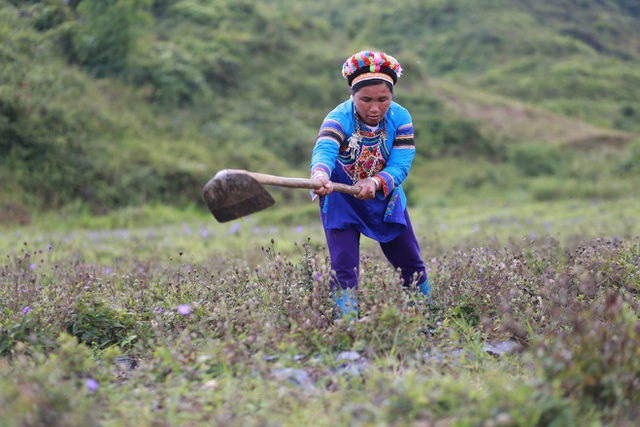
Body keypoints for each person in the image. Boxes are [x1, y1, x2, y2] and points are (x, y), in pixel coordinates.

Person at [310, 50, 430, 320]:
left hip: (386, 198)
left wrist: (376, 182)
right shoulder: (338, 118)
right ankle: (347, 327)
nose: (374, 108)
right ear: (353, 96)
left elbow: (400, 163)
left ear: (391, 97)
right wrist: (320, 176)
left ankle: (425, 319)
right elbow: (325, 150)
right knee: (344, 267)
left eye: (382, 99)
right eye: (366, 100)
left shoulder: (400, 118)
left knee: (410, 261)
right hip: (341, 198)